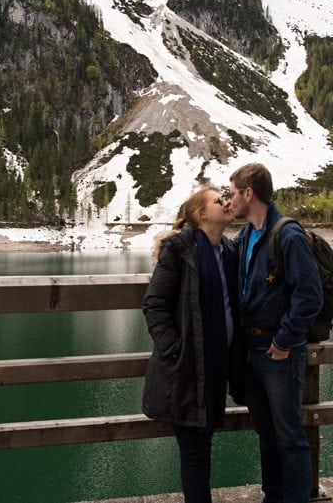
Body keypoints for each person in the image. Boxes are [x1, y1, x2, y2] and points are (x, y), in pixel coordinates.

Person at [227, 163, 324, 503]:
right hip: (253, 348)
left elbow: (310, 295)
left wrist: (283, 340)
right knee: (266, 433)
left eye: (233, 194)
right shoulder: (247, 235)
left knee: (289, 435)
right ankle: (274, 496)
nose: (230, 201)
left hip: (278, 351)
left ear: (248, 193)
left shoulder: (287, 234)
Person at [142, 185, 244, 503]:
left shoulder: (228, 252)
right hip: (187, 369)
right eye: (218, 200)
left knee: (204, 447)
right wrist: (174, 350)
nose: (226, 202)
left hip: (215, 366)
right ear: (201, 214)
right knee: (194, 454)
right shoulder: (180, 249)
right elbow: (155, 305)